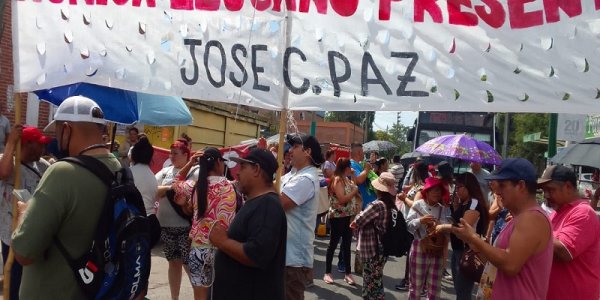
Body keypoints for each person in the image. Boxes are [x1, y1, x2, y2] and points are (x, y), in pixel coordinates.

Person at [11, 96, 123, 298]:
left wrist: (23, 213)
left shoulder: (62, 172)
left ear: (67, 129)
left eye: (58, 132)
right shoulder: (117, 168)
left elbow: (24, 252)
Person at [453, 158, 553, 299]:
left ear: (521, 186)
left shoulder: (532, 218)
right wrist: (473, 241)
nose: (497, 191)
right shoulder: (519, 217)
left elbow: (510, 265)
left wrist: (474, 238)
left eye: (502, 185)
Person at [210, 148, 286, 300]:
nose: (237, 172)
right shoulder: (259, 202)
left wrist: (223, 241)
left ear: (257, 169)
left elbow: (256, 254)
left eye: (243, 167)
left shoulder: (267, 206)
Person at [173, 147, 237, 300]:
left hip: (198, 249)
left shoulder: (194, 186)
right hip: (223, 250)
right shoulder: (231, 186)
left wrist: (190, 163)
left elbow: (176, 181)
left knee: (200, 297)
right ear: (217, 162)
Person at [0, 125, 51, 299]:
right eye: (40, 144)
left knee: (32, 283)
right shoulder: (7, 161)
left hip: (36, 234)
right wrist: (11, 142)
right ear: (28, 144)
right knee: (14, 284)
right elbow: (3, 172)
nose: (44, 149)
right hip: (12, 235)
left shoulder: (42, 166)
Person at [537, 165, 600, 300]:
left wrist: (532, 228)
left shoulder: (583, 213)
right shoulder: (557, 213)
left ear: (568, 187)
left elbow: (564, 252)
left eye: (550, 190)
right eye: (544, 190)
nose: (546, 195)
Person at [280, 133, 324, 300]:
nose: (290, 150)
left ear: (307, 152)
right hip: (285, 255)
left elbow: (278, 203)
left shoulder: (305, 179)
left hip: (293, 259)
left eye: (295, 147)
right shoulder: (293, 174)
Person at [155, 140, 199, 300]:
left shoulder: (195, 171)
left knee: (189, 265)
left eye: (175, 153)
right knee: (173, 263)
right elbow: (154, 189)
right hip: (166, 226)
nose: (171, 156)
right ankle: (174, 298)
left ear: (186, 155)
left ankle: (199, 297)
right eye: (170, 152)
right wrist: (169, 188)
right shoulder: (165, 171)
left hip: (185, 227)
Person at [434, 172, 489, 300]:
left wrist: (443, 227)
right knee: (459, 290)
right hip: (458, 250)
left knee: (463, 292)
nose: (456, 190)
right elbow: (453, 221)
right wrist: (455, 207)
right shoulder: (464, 203)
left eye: (459, 187)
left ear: (468, 187)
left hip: (468, 252)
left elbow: (463, 229)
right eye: (456, 187)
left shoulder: (473, 203)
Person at [350, 172, 396, 300]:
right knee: (375, 277)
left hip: (373, 247)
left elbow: (359, 220)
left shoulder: (377, 205)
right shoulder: (391, 204)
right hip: (384, 246)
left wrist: (356, 219)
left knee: (372, 280)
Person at [405, 177, 451, 299]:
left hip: (437, 250)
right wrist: (420, 220)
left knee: (435, 287)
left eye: (439, 191)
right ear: (427, 191)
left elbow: (448, 233)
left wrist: (440, 227)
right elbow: (408, 226)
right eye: (434, 190)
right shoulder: (418, 205)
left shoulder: (444, 209)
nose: (437, 193)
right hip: (419, 247)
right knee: (416, 286)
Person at [323, 158, 359, 286]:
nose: (351, 169)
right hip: (337, 217)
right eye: (350, 167)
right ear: (346, 168)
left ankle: (348, 273)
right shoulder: (338, 179)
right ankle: (327, 272)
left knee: (347, 245)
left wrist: (354, 176)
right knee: (333, 244)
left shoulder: (346, 179)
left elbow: (354, 186)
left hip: (347, 216)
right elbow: (342, 199)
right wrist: (354, 191)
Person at [130, 135, 158, 216]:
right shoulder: (153, 176)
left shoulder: (128, 172)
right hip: (151, 219)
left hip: (134, 219)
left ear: (133, 155)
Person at [350, 143, 377, 209]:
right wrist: (367, 169)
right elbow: (358, 180)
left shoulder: (359, 164)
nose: (363, 154)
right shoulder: (352, 164)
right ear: (359, 152)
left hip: (369, 203)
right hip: (364, 205)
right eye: (363, 152)